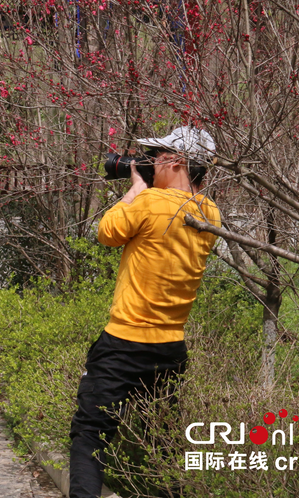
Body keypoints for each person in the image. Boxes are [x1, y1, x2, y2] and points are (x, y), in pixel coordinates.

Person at [68, 126, 221, 498]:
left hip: (123, 343)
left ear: (174, 160)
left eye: (155, 156)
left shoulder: (150, 203)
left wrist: (136, 189)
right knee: (161, 443)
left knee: (90, 433)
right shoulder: (210, 213)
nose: (149, 162)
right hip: (170, 348)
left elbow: (106, 231)